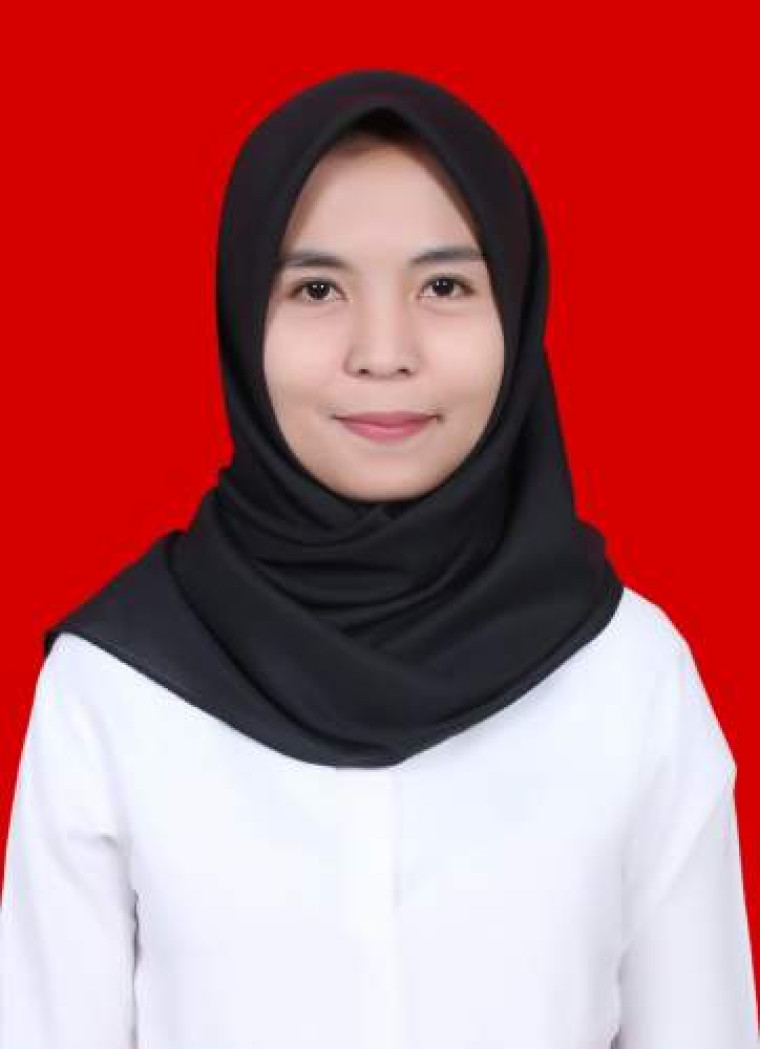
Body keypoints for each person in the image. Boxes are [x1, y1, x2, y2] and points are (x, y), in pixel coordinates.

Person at [1, 68, 757, 1049]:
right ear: (243, 315)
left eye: (444, 285)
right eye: (317, 288)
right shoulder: (112, 687)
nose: (384, 350)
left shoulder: (628, 673)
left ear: (517, 310)